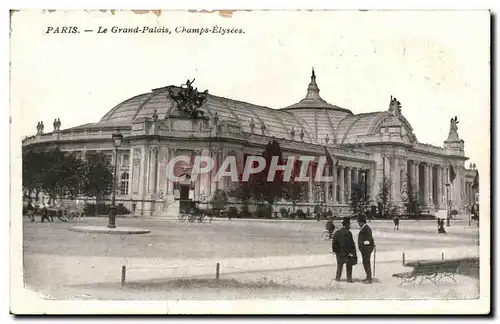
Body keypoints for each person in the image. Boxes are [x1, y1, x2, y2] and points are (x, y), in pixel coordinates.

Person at [332, 217, 357, 283]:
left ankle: (338, 278)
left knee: (339, 266)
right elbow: (351, 244)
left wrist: (336, 251)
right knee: (349, 266)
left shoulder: (337, 232)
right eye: (349, 224)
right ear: (346, 225)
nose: (349, 226)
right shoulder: (348, 233)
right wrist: (353, 253)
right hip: (347, 254)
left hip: (339, 253)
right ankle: (349, 279)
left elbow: (334, 243)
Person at [358, 215, 375, 284]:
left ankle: (369, 278)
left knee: (366, 263)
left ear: (362, 222)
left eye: (359, 222)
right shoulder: (364, 228)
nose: (358, 224)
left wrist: (362, 243)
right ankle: (368, 276)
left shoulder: (366, 228)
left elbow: (368, 240)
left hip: (366, 249)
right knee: (365, 263)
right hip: (365, 249)